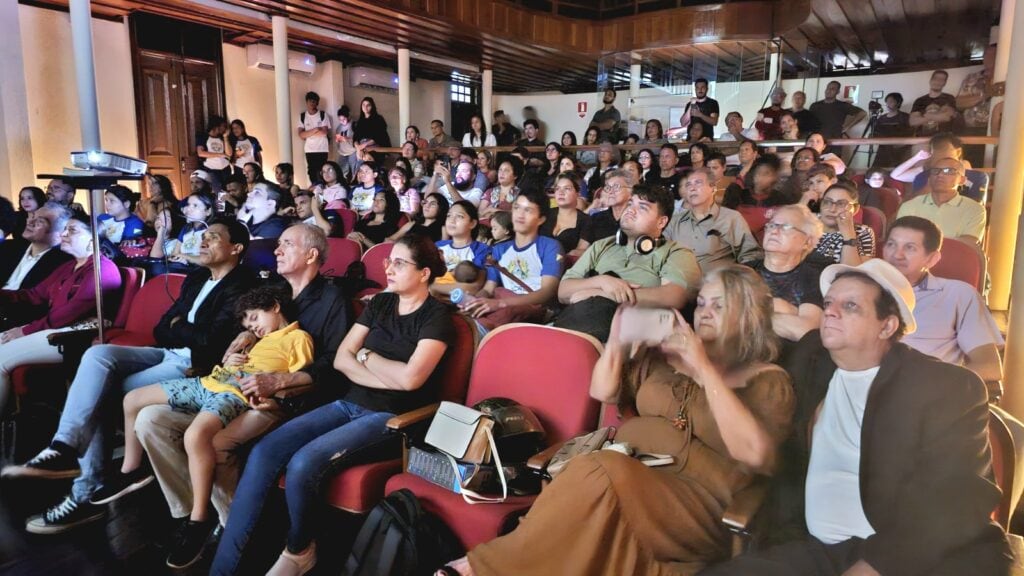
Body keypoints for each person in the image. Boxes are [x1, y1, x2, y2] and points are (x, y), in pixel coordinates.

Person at [444, 266, 795, 576]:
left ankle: (481, 567)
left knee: (597, 470)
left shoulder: (765, 379)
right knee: (594, 482)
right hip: (630, 478)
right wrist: (616, 339)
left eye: (719, 305)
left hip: (694, 505)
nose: (705, 312)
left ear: (748, 315)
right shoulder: (664, 357)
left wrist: (702, 366)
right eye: (702, 302)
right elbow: (603, 390)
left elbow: (755, 456)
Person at [704, 259, 1012, 576]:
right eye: (828, 303)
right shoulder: (812, 362)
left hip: (916, 557)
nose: (831, 312)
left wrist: (875, 566)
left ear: (887, 326)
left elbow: (960, 498)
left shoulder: (945, 387)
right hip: (818, 553)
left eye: (850, 306)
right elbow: (753, 326)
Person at [210, 234, 454, 576]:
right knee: (265, 451)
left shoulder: (436, 318)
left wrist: (367, 357)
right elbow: (342, 358)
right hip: (349, 402)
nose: (389, 268)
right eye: (388, 262)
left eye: (399, 263)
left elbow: (411, 381)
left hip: (393, 417)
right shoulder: (381, 304)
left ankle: (299, 550)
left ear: (425, 273)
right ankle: (223, 568)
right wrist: (381, 369)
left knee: (303, 463)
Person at [0, 219, 253, 534]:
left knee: (100, 393)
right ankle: (65, 445)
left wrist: (177, 327)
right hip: (167, 352)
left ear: (236, 248)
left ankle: (84, 493)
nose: (202, 242)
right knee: (97, 356)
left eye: (213, 237)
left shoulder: (243, 284)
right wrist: (177, 328)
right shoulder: (197, 278)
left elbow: (209, 341)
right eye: (203, 236)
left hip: (195, 364)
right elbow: (162, 328)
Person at [134, 225, 348, 566]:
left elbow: (332, 365)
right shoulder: (272, 289)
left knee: (217, 442)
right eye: (277, 244)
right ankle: (195, 513)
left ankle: (236, 526)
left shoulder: (331, 299)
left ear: (311, 255)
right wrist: (243, 341)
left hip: (281, 397)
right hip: (231, 385)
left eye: (286, 244)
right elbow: (238, 332)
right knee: (149, 420)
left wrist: (280, 381)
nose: (276, 250)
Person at [109, 286, 313, 566]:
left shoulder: (298, 338)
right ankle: (130, 471)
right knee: (133, 399)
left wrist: (270, 382)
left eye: (255, 318)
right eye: (247, 323)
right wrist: (231, 358)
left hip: (235, 392)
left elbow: (301, 377)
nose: (253, 327)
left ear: (275, 307)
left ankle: (199, 519)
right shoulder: (251, 339)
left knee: (196, 436)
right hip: (207, 383)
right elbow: (228, 359)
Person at [556, 184, 700, 342]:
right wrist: (602, 281)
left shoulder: (676, 252)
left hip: (628, 333)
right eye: (630, 203)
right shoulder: (602, 245)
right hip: (576, 320)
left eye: (643, 207)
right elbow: (563, 291)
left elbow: (674, 296)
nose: (630, 210)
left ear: (661, 222)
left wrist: (604, 295)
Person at [461, 189, 562, 332]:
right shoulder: (499, 249)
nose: (520, 214)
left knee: (504, 314)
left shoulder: (550, 246)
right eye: (516, 208)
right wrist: (475, 302)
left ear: (541, 219)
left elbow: (547, 292)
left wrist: (502, 303)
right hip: (503, 306)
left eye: (528, 210)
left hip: (529, 307)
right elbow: (489, 288)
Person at [750, 204, 826, 342]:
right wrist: (787, 311)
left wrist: (755, 309)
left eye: (785, 227)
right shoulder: (746, 272)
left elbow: (806, 331)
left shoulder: (813, 278)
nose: (773, 231)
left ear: (807, 242)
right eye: (771, 225)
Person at [665, 168, 762, 270]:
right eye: (688, 185)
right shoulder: (675, 221)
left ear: (713, 188)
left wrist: (738, 279)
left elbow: (750, 255)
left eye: (698, 183)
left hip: (719, 283)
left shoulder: (730, 218)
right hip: (677, 283)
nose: (692, 188)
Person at [896, 157, 986, 245]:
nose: (940, 175)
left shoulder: (974, 209)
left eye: (949, 171)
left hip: (955, 258)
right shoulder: (910, 206)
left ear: (962, 180)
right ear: (929, 178)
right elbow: (900, 239)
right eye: (935, 171)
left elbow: (968, 244)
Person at [0, 203, 72, 293]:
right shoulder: (8, 247)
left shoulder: (64, 263)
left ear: (58, 234)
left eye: (40, 221)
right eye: (32, 216)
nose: (30, 222)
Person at [431, 200, 490, 298]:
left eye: (459, 216)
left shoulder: (481, 249)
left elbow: (473, 288)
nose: (452, 220)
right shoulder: (437, 246)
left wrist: (433, 287)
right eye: (449, 216)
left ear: (473, 223)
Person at [149, 191, 215, 275]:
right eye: (188, 205)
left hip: (200, 270)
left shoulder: (212, 230)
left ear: (208, 211)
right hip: (183, 266)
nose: (188, 210)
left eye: (195, 206)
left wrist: (186, 257)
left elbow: (209, 260)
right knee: (156, 268)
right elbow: (175, 252)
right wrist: (177, 258)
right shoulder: (186, 229)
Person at [814, 183, 875, 265]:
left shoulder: (862, 232)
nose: (832, 209)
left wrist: (849, 236)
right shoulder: (807, 222)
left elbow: (855, 274)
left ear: (855, 209)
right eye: (827, 202)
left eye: (841, 204)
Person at [956, 44, 995, 167]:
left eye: (994, 54)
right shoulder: (971, 78)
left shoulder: (1011, 77)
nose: (990, 57)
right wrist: (984, 95)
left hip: (1001, 130)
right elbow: (959, 103)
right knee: (970, 166)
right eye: (987, 54)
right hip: (972, 130)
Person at [540, 172, 591, 256]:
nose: (561, 192)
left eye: (567, 188)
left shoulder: (586, 220)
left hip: (566, 265)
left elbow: (580, 251)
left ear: (578, 193)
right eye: (557, 188)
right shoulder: (545, 213)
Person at [722, 155, 790, 210]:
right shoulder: (739, 194)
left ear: (774, 177)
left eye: (766, 173)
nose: (761, 177)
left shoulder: (780, 199)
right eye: (758, 173)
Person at [297, 92, 332, 187]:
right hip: (309, 149)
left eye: (314, 102)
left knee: (322, 171)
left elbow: (324, 132)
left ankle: (323, 190)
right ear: (307, 102)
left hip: (322, 148)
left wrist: (308, 133)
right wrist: (316, 129)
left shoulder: (323, 114)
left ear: (317, 103)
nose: (312, 104)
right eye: (310, 101)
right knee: (311, 171)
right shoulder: (302, 116)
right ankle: (315, 189)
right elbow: (301, 135)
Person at [587, 169, 633, 242]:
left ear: (631, 191)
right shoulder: (595, 218)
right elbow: (583, 248)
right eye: (608, 188)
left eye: (616, 187)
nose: (611, 192)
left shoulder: (638, 219)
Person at [910, 70, 957, 136]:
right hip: (922, 139)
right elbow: (913, 121)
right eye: (936, 78)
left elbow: (946, 117)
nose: (938, 81)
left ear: (945, 83)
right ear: (930, 81)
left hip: (944, 137)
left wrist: (926, 116)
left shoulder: (949, 98)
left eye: (941, 79)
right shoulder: (920, 100)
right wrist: (938, 115)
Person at [871, 92, 912, 168]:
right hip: (883, 151)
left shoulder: (905, 117)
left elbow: (911, 133)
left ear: (898, 103)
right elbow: (875, 133)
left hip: (900, 150)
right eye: (887, 102)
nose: (888, 104)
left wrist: (902, 144)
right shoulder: (881, 118)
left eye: (891, 101)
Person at [197, 116, 231, 189]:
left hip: (225, 169)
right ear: (217, 126)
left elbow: (229, 154)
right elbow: (201, 153)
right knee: (217, 191)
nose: (225, 128)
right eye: (223, 126)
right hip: (211, 169)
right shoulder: (203, 137)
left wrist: (225, 138)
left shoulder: (222, 138)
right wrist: (220, 155)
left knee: (228, 189)